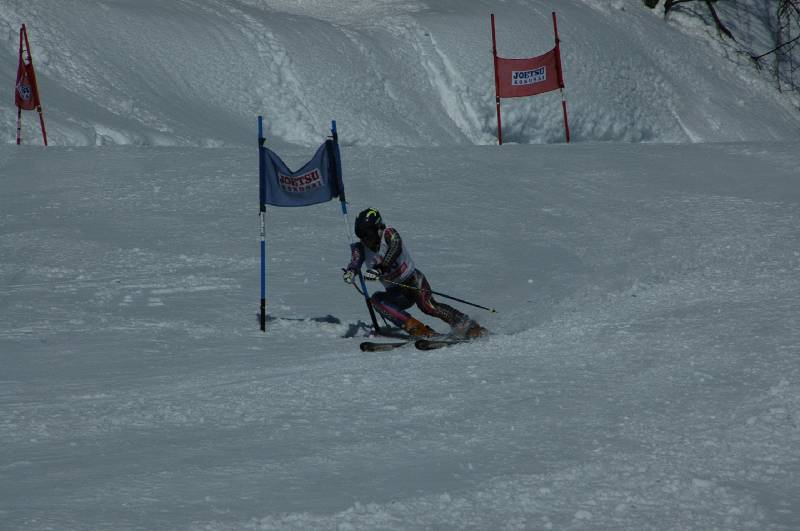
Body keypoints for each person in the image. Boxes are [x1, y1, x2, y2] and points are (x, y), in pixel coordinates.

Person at [343, 207, 485, 338]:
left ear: (378, 229)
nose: (365, 240)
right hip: (396, 292)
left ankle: (468, 325)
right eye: (361, 236)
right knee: (376, 300)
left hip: (413, 280)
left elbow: (395, 248)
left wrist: (379, 268)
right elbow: (355, 261)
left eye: (368, 235)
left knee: (427, 306)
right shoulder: (359, 247)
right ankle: (418, 329)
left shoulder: (389, 233)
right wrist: (351, 272)